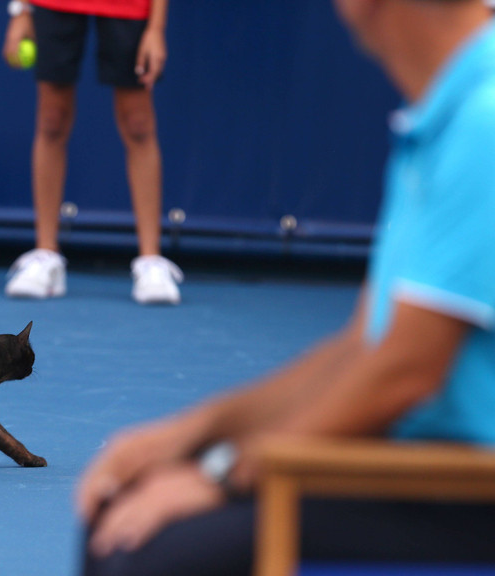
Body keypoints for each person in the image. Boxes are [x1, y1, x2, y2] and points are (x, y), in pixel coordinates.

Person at [77, 0, 495, 573]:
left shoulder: (483, 121)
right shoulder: (446, 110)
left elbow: (406, 372)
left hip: (465, 493)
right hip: (424, 472)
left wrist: (222, 475)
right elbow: (363, 348)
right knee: (118, 516)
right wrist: (192, 433)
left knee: (144, 554)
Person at [1, 0, 184, 305]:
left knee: (138, 124)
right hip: (53, 5)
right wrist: (20, 10)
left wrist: (156, 27)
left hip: (131, 7)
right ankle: (46, 255)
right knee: (51, 120)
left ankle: (150, 261)